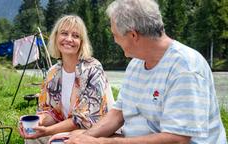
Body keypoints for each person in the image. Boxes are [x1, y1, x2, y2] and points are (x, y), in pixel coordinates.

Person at [56, 0, 227, 144]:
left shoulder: (186, 68)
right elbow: (118, 113)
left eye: (115, 34)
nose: (114, 39)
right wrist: (85, 137)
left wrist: (103, 142)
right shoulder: (136, 64)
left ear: (133, 35)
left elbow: (177, 139)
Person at [19, 15, 114, 144]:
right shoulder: (53, 72)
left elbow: (84, 120)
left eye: (75, 36)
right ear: (56, 37)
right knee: (32, 138)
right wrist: (39, 120)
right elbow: (51, 112)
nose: (69, 39)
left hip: (94, 133)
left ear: (82, 42)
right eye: (64, 33)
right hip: (67, 129)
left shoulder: (92, 68)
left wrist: (48, 131)